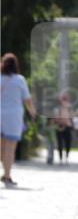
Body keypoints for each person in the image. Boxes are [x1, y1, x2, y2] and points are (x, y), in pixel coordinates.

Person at [1, 53, 37, 186]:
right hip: (13, 116)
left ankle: (5, 172)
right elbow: (27, 99)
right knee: (10, 147)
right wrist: (32, 112)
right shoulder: (19, 79)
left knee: (2, 147)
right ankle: (7, 175)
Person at [54, 93, 73, 163]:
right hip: (60, 127)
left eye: (66, 100)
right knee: (60, 144)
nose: (64, 102)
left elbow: (72, 118)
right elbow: (55, 119)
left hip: (67, 127)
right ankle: (61, 158)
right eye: (63, 100)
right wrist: (59, 120)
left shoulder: (70, 109)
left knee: (68, 143)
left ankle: (67, 156)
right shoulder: (57, 109)